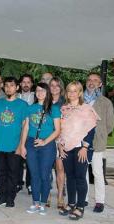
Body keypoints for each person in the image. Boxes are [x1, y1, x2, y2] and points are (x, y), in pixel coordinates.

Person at [58, 81, 99, 220]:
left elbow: (91, 130)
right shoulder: (64, 109)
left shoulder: (86, 109)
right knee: (70, 177)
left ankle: (80, 206)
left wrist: (85, 147)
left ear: (80, 92)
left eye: (75, 90)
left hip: (81, 148)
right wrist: (60, 145)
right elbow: (60, 130)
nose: (72, 93)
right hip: (66, 148)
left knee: (80, 178)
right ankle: (71, 203)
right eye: (69, 90)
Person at [19, 83, 61, 215]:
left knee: (44, 174)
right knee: (34, 174)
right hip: (31, 143)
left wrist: (45, 141)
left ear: (47, 92)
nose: (40, 93)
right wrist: (22, 146)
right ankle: (35, 203)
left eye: (43, 90)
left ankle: (43, 203)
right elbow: (25, 127)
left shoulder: (54, 109)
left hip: (47, 144)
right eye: (37, 90)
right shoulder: (30, 108)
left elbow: (58, 130)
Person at [0, 77, 28, 208]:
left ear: (17, 88)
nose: (9, 88)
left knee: (13, 173)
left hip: (14, 146)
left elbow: (24, 126)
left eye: (12, 85)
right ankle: (2, 196)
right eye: (6, 85)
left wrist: (21, 146)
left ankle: (10, 198)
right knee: (1, 172)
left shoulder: (22, 105)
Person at [84, 73, 114, 213]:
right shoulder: (79, 100)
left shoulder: (105, 102)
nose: (92, 82)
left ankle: (99, 201)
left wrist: (101, 134)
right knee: (82, 172)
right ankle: (83, 199)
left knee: (97, 172)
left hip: (97, 142)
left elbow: (110, 125)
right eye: (89, 80)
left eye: (95, 80)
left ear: (100, 84)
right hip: (80, 142)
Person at [50, 77, 67, 209]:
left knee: (60, 168)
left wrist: (61, 141)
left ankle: (60, 196)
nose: (54, 88)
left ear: (61, 88)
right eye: (52, 85)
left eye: (57, 85)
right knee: (47, 169)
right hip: (47, 139)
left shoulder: (65, 103)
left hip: (61, 140)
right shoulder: (44, 101)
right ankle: (48, 194)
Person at [17, 74, 35, 194]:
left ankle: (29, 184)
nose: (26, 84)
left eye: (28, 82)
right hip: (17, 133)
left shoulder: (36, 96)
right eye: (23, 82)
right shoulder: (16, 97)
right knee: (17, 159)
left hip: (31, 133)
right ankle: (18, 183)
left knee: (30, 161)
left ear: (32, 84)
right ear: (20, 84)